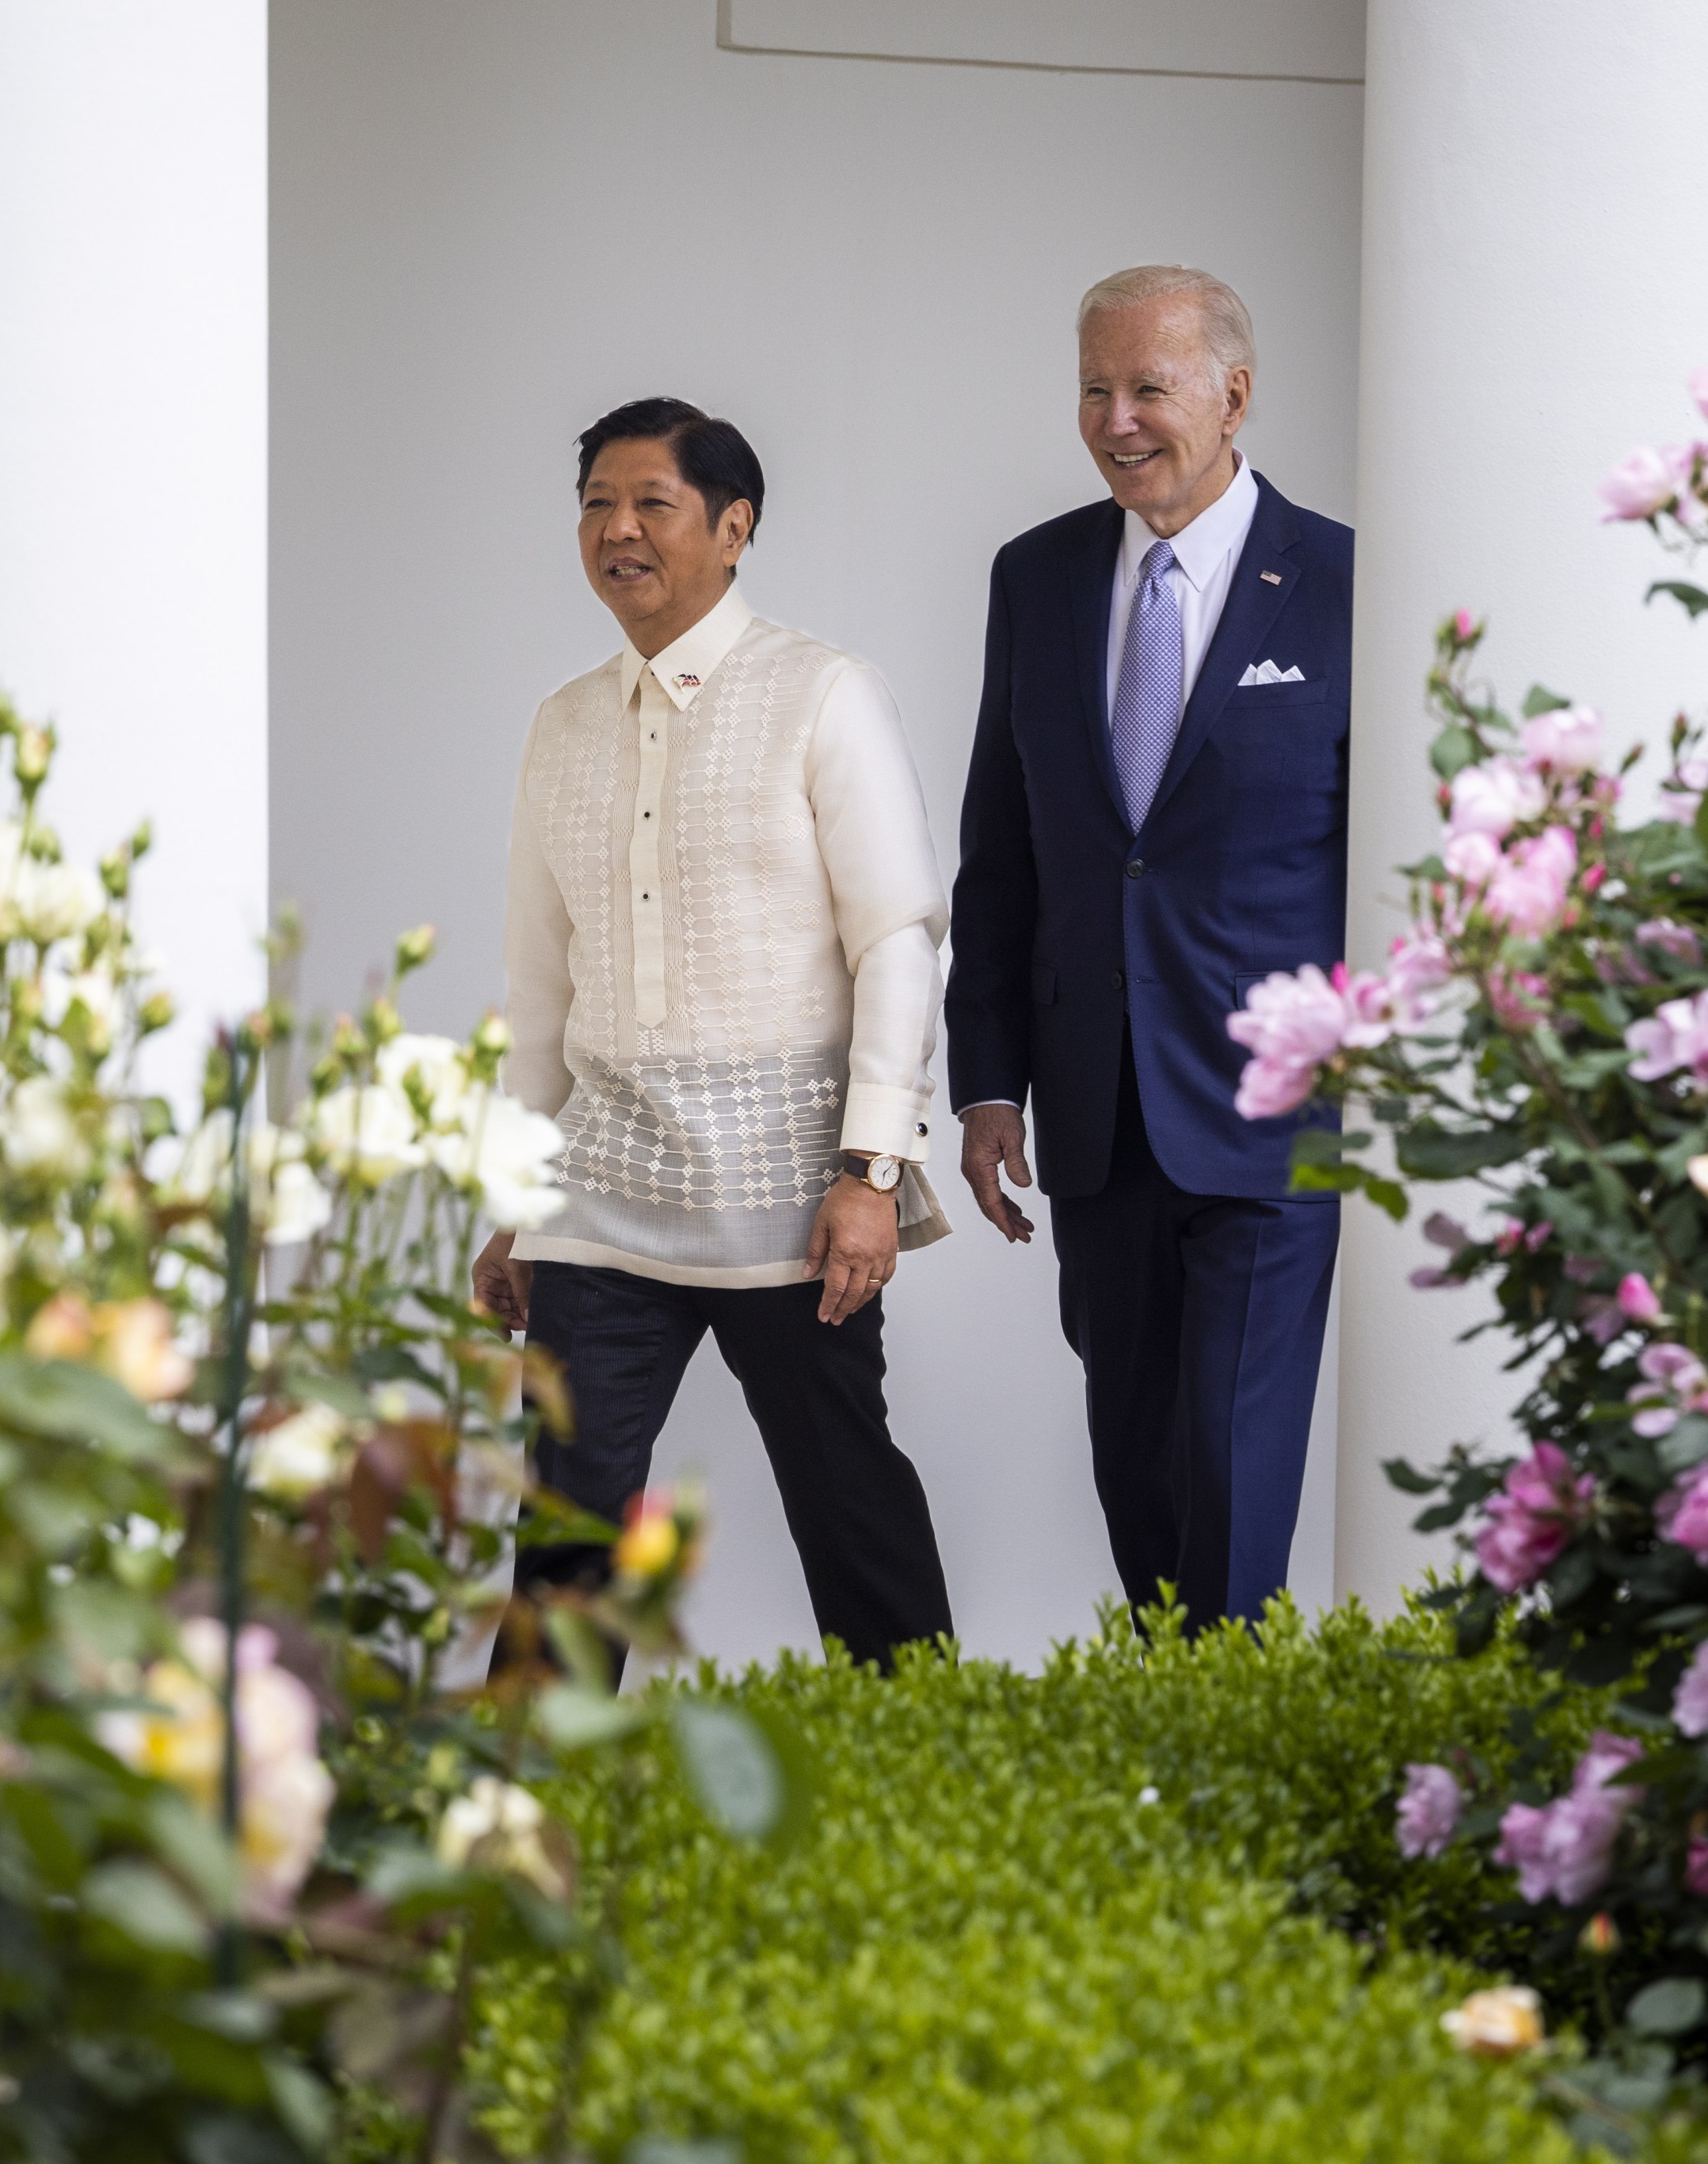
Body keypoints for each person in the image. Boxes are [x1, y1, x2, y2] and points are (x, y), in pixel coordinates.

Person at [474, 396, 956, 1667]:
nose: (617, 531)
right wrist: (515, 1196)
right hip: (603, 1192)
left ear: (734, 527)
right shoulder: (561, 724)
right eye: (595, 505)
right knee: (565, 1528)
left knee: (846, 1503)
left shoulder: (823, 693)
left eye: (652, 505)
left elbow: (898, 940)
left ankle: (928, 1770)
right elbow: (539, 989)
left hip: (792, 1199)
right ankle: (523, 1833)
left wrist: (871, 1173)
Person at [945, 266, 1352, 1627]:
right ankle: (1176, 1761)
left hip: (1269, 1119)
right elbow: (1005, 854)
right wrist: (989, 1083)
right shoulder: (1036, 577)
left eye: (1148, 390)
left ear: (1234, 396)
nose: (1116, 421)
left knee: (1235, 1482)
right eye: (1093, 390)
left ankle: (1233, 1768)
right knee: (1137, 1473)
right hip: (1098, 1111)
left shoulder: (1351, 582)